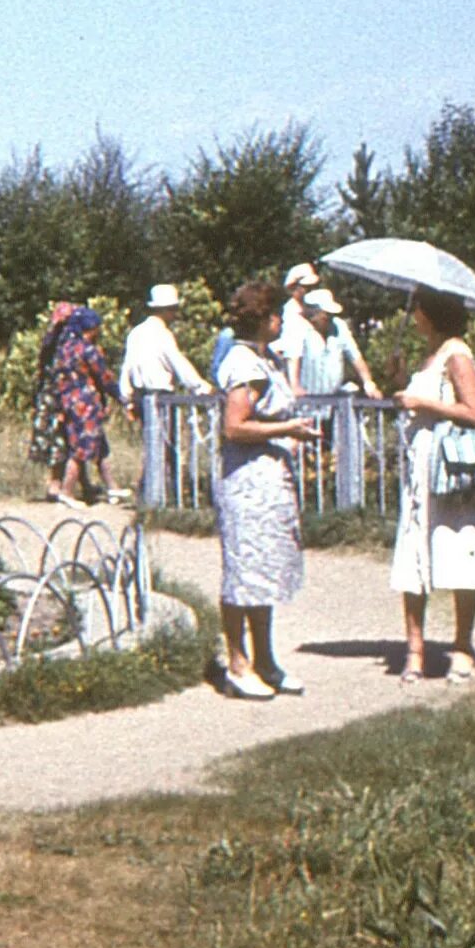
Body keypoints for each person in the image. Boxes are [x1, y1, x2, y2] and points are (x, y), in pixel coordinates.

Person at [212, 279, 321, 697]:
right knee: (244, 571)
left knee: (264, 570)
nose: (280, 321)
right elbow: (235, 425)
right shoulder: (244, 362)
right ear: (263, 318)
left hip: (268, 476)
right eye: (275, 313)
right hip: (247, 478)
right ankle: (237, 664)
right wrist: (288, 428)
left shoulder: (266, 359)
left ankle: (265, 659)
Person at [390, 287, 475, 681]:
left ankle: (462, 647)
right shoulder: (432, 355)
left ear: (430, 312)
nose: (413, 315)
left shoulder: (457, 354)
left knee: (458, 549)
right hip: (421, 470)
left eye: (417, 308)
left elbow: (473, 411)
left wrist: (421, 404)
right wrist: (402, 381)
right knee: (416, 554)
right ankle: (415, 651)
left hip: (451, 471)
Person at [29, 301, 118, 506]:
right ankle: (67, 491)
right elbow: (104, 377)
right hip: (85, 403)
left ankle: (104, 487)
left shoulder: (63, 349)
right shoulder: (87, 350)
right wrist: (119, 396)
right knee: (80, 450)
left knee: (82, 446)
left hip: (65, 402)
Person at [118, 283, 212, 403]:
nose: (175, 314)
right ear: (165, 309)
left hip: (141, 399)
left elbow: (127, 368)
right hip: (162, 398)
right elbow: (179, 364)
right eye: (174, 309)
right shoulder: (162, 334)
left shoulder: (135, 333)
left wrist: (127, 398)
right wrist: (202, 387)